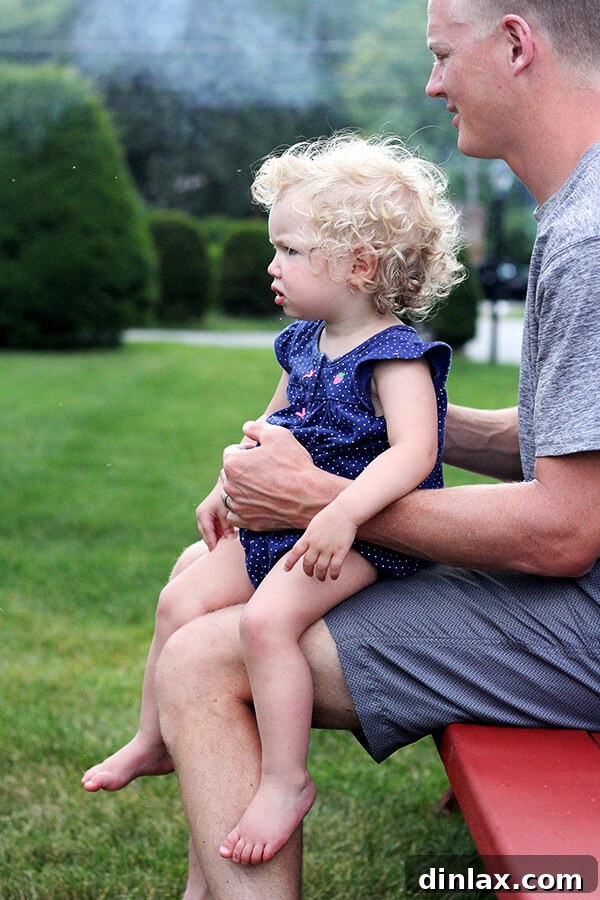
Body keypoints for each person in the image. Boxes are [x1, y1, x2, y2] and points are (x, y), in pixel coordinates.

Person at [106, 0, 600, 895]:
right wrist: (366, 414)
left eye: (442, 54)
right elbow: (565, 448)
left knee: (205, 658)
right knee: (195, 578)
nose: (432, 84)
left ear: (516, 43)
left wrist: (319, 499)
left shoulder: (589, 236)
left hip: (584, 618)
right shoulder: (578, 211)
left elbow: (567, 530)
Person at [82, 133, 465, 864]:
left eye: (289, 249)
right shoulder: (303, 342)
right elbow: (274, 424)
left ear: (358, 264)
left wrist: (342, 513)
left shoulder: (397, 356)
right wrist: (226, 487)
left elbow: (416, 454)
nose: (272, 264)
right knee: (179, 598)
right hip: (287, 524)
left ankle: (287, 780)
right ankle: (153, 738)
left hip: (360, 536)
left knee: (266, 624)